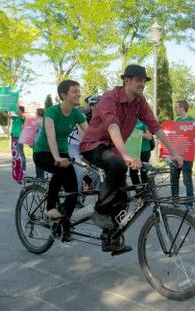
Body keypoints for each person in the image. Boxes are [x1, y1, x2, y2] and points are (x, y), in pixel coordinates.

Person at [80, 64, 183, 254]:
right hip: (94, 145)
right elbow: (112, 126)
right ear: (127, 81)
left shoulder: (139, 102)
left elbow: (155, 126)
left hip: (114, 150)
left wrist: (173, 152)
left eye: (144, 81)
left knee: (123, 200)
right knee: (118, 164)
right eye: (138, 80)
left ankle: (110, 238)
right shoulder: (109, 98)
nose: (142, 84)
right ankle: (100, 212)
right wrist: (125, 154)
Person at [33, 80, 87, 235]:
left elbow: (89, 134)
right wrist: (56, 157)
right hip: (43, 152)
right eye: (74, 91)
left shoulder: (77, 114)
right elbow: (51, 137)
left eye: (78, 90)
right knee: (60, 170)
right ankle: (50, 208)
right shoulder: (52, 112)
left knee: (73, 190)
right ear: (63, 95)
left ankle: (64, 224)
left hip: (62, 153)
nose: (78, 94)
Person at [170, 100, 195, 206]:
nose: (175, 109)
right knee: (174, 179)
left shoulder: (192, 121)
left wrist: (194, 141)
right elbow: (172, 137)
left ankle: (189, 205)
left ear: (182, 108)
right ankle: (175, 202)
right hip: (176, 155)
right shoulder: (176, 121)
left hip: (187, 156)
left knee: (187, 181)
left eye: (176, 107)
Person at [129, 120, 153, 185]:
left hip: (144, 150)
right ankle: (139, 191)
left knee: (144, 172)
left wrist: (138, 133)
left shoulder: (143, 122)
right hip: (133, 151)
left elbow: (149, 137)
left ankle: (146, 192)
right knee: (133, 173)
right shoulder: (128, 121)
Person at [11, 105, 26, 172]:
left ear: (20, 111)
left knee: (20, 153)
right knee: (15, 153)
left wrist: (15, 104)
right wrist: (2, 107)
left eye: (17, 110)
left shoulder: (22, 117)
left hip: (19, 137)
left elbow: (20, 114)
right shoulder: (15, 118)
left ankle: (23, 168)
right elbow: (5, 115)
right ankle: (16, 167)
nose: (15, 111)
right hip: (13, 137)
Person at [34, 108, 45, 178]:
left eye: (36, 112)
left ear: (38, 113)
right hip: (37, 144)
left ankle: (40, 177)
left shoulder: (41, 121)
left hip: (40, 145)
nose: (35, 114)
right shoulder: (39, 121)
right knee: (38, 161)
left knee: (39, 161)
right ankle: (39, 176)